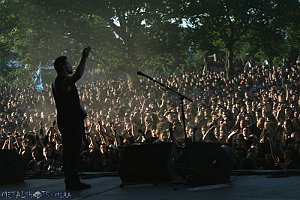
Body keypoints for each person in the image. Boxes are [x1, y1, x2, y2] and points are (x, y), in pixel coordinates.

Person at [52, 47, 91, 191]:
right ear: (63, 67)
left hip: (67, 120)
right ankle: (72, 182)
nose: (71, 65)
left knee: (70, 151)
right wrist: (84, 57)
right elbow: (78, 75)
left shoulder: (57, 82)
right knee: (72, 152)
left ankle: (71, 181)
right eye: (68, 64)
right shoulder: (63, 81)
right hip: (71, 122)